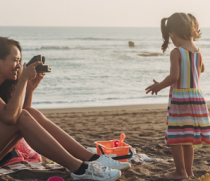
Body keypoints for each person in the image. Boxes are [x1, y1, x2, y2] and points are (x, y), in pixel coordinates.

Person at [0, 37, 130, 181]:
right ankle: (79, 169)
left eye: (19, 61)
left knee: (29, 113)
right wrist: (23, 80)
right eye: (15, 60)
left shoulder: (5, 86)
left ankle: (93, 159)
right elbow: (11, 118)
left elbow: (20, 117)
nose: (18, 66)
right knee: (24, 116)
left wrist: (30, 89)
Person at [145, 13, 210, 180]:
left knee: (175, 135)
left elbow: (174, 77)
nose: (171, 40)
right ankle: (188, 171)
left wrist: (158, 86)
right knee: (188, 136)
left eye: (171, 36)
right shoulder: (198, 52)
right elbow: (201, 69)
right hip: (196, 98)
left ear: (174, 33)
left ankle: (180, 171)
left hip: (181, 98)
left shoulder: (177, 52)